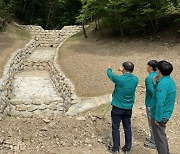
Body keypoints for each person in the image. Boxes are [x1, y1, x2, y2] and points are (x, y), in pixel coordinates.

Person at [107, 61, 139, 154]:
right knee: (127, 127)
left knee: (115, 127)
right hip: (128, 108)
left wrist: (109, 68)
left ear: (124, 69)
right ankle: (127, 148)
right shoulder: (135, 79)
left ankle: (116, 148)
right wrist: (123, 71)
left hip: (117, 107)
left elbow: (110, 75)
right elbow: (127, 77)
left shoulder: (119, 79)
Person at [150, 60, 176, 154]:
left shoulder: (162, 84)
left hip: (160, 115)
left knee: (159, 140)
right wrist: (156, 83)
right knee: (161, 137)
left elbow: (160, 102)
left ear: (158, 70)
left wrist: (157, 118)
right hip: (166, 113)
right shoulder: (170, 81)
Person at [144, 60, 158, 149]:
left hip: (150, 103)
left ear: (151, 67)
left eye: (147, 65)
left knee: (151, 123)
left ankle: (153, 141)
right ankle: (154, 138)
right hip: (156, 103)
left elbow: (151, 91)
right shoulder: (158, 76)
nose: (146, 67)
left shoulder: (149, 78)